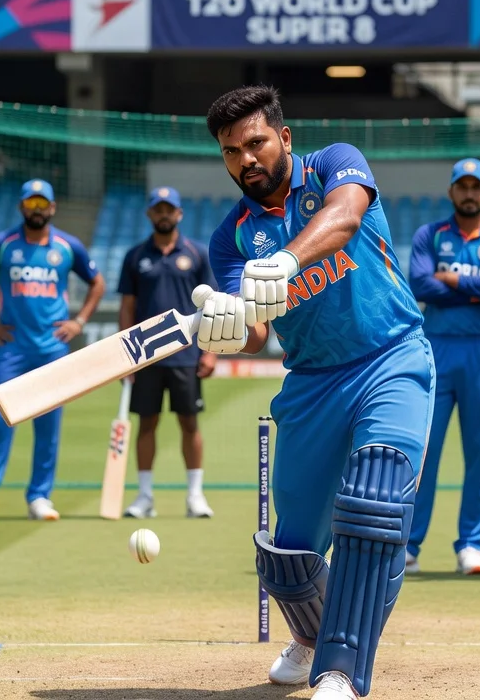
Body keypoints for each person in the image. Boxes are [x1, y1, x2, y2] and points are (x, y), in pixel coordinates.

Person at [199, 86, 434, 700]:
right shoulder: (230, 238)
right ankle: (310, 636)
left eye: (255, 143)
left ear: (283, 137)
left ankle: (341, 670)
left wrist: (286, 261)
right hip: (310, 382)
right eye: (231, 152)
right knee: (289, 555)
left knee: (374, 499)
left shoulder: (335, 162)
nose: (246, 159)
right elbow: (254, 331)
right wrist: (227, 326)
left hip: (390, 357)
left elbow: (345, 216)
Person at [0, 179, 105, 523]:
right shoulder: (2, 245)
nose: (36, 210)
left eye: (42, 204)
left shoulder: (67, 246)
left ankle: (39, 497)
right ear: (21, 207)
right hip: (13, 349)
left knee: (48, 425)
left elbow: (97, 282)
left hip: (53, 349)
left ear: (52, 207)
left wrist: (79, 321)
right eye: (30, 203)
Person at [405, 158, 480, 576]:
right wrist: (479, 286)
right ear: (452, 191)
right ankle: (409, 545)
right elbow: (421, 284)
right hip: (436, 348)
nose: (469, 193)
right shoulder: (429, 235)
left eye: (476, 186)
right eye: (462, 186)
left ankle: (471, 545)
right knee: (424, 451)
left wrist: (452, 280)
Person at [118, 186, 218, 520]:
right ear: (150, 213)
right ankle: (145, 497)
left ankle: (195, 496)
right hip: (145, 354)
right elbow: (127, 307)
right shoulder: (135, 256)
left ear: (179, 213)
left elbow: (211, 307)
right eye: (158, 209)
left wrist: (210, 352)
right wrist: (125, 356)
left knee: (189, 423)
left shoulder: (197, 253)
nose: (164, 215)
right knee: (147, 423)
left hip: (186, 353)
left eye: (169, 209)